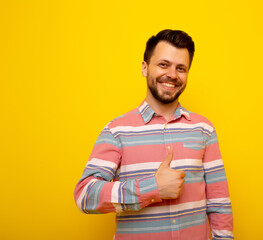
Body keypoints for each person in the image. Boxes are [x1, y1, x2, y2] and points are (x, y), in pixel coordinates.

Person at [74, 29, 233, 240]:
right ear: (144, 68)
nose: (173, 75)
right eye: (163, 64)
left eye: (181, 68)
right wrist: (152, 188)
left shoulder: (204, 129)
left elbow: (219, 203)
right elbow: (85, 195)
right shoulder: (116, 131)